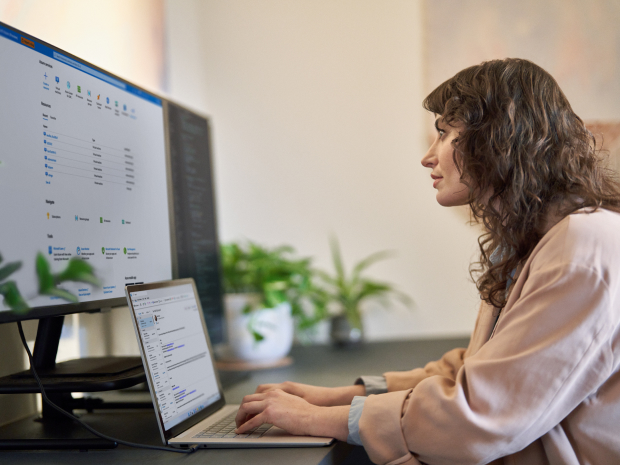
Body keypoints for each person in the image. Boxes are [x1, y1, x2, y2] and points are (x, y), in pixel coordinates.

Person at [234, 58, 620, 465]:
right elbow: (480, 369)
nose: (428, 156)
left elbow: (478, 417)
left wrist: (321, 418)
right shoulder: (540, 239)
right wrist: (341, 396)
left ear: (499, 140)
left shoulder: (583, 250)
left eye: (445, 133)